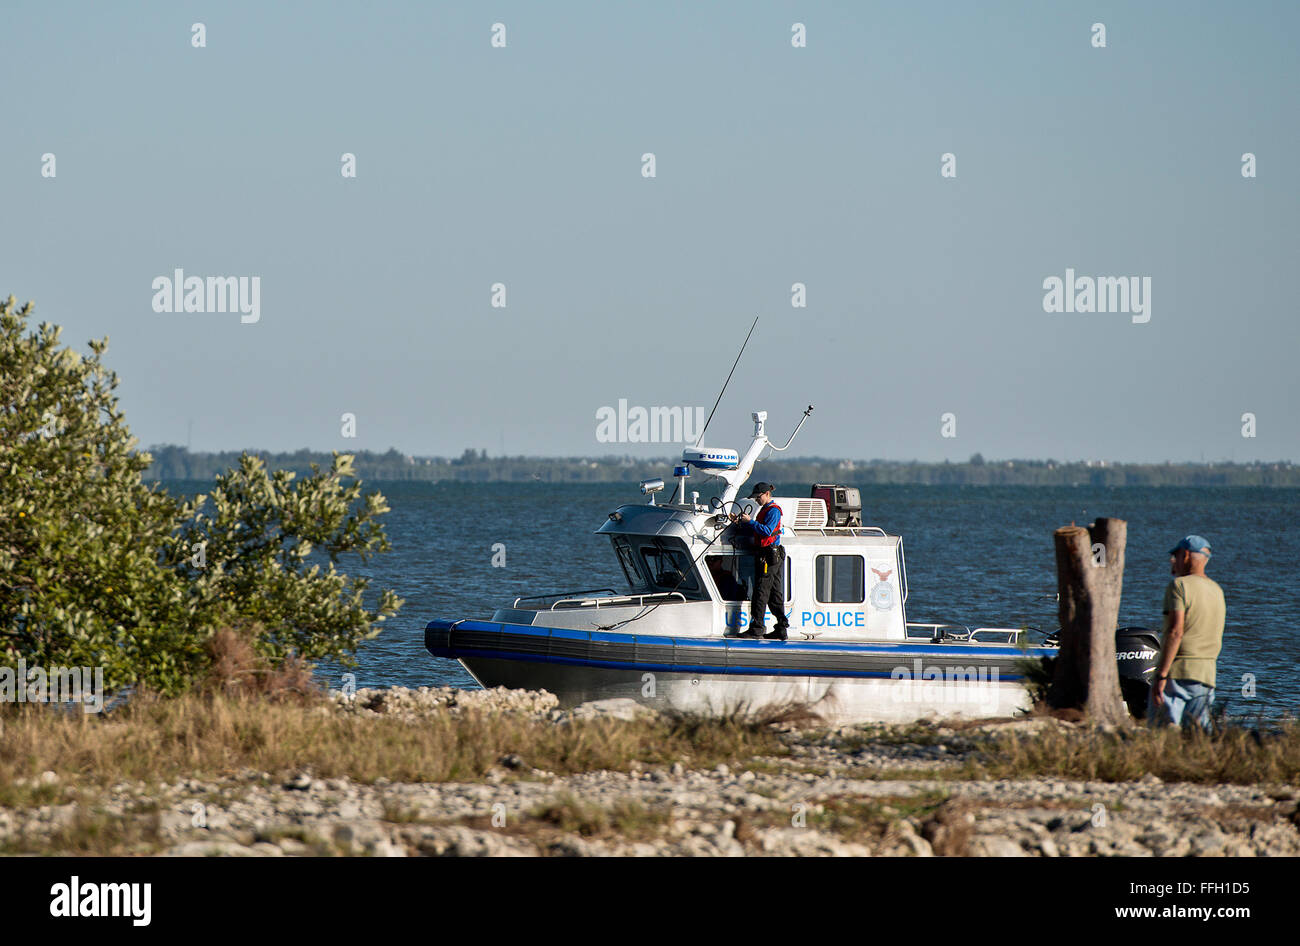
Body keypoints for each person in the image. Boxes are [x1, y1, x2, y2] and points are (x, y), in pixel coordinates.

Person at [1149, 535, 1225, 731]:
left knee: (1163, 735)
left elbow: (1176, 632)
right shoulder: (1217, 590)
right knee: (1197, 737)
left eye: (1176, 555)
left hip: (1179, 673)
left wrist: (1161, 675)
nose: (1173, 560)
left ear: (1186, 555)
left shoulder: (1179, 586)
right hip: (1207, 674)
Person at [730, 482, 789, 641]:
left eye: (758, 497)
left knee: (761, 591)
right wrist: (741, 523)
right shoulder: (765, 510)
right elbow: (758, 529)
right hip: (771, 555)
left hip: (768, 556)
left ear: (767, 494)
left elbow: (767, 531)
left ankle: (757, 628)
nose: (756, 500)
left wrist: (750, 521)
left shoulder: (773, 511)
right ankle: (781, 628)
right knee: (774, 592)